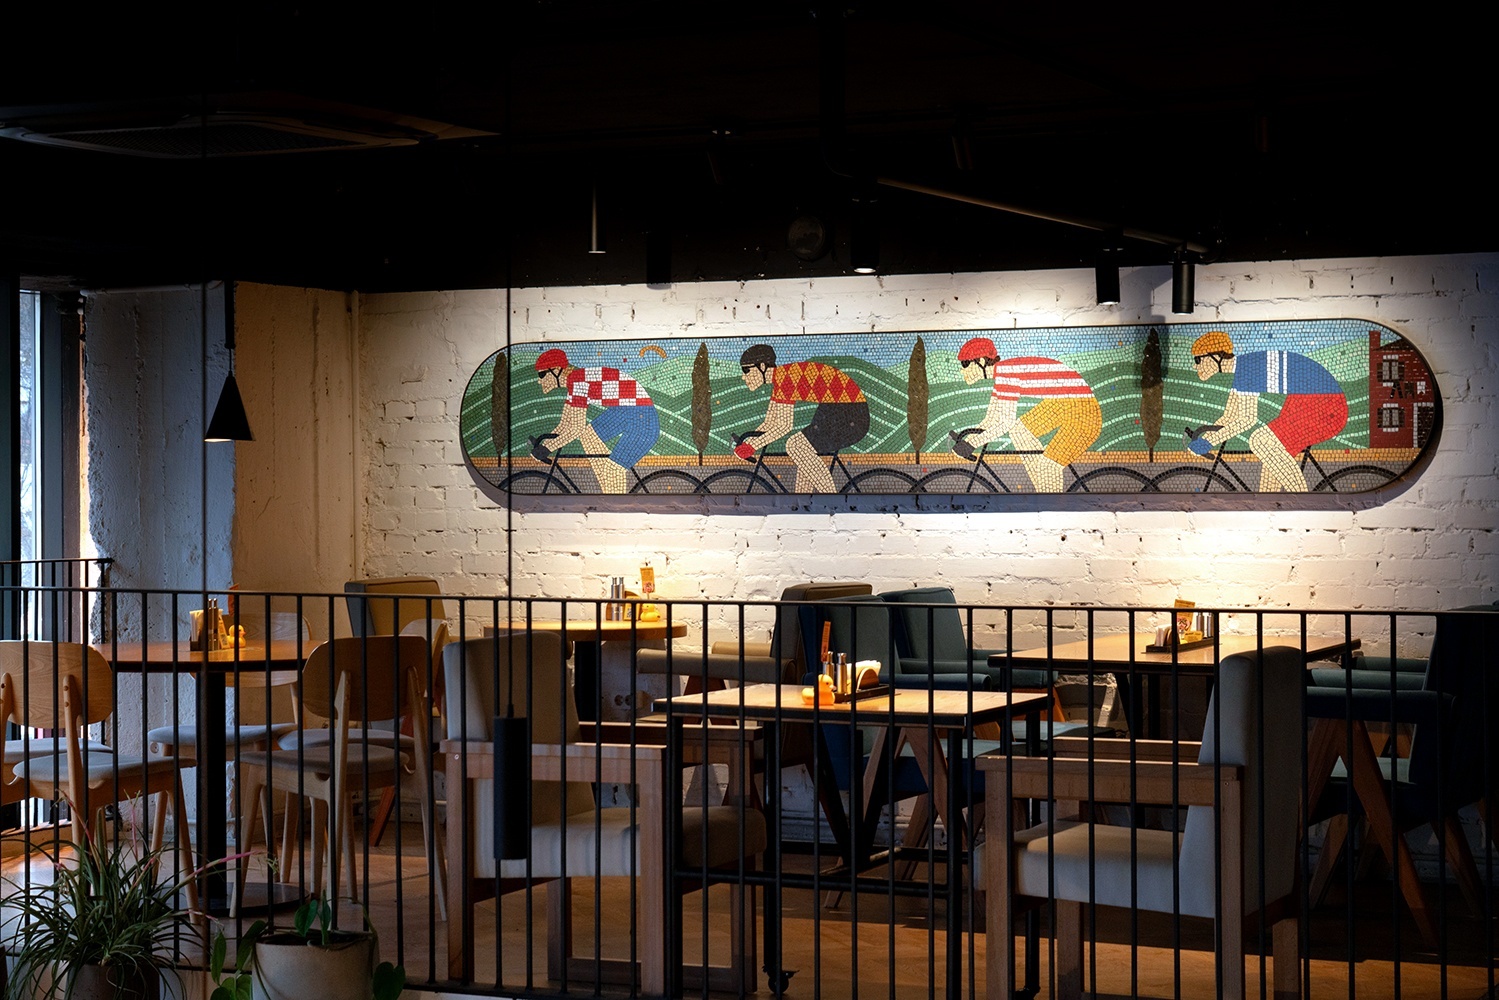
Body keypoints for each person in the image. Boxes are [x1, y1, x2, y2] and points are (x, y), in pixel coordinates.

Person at [1187, 331, 1347, 492]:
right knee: (1271, 458)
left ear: (1216, 356)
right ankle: (1269, 501)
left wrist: (1208, 443)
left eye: (1198, 359)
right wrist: (1205, 438)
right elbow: (1229, 416)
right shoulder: (1243, 370)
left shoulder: (1247, 370)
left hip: (1324, 405)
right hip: (1303, 402)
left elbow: (1247, 420)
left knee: (1260, 441)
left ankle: (1303, 498)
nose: (1195, 365)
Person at [953, 337, 1101, 493]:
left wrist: (971, 444)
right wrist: (968, 440)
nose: (962, 370)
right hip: (1064, 402)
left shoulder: (1007, 375)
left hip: (1084, 411)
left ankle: (1052, 500)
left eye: (965, 364)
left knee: (1048, 466)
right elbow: (991, 419)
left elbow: (1005, 423)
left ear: (981, 361)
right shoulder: (1003, 374)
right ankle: (1044, 489)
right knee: (1019, 431)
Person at [735, 343, 869, 493]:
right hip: (833, 408)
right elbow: (770, 422)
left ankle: (831, 498)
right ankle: (803, 500)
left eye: (746, 370)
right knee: (802, 453)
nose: (743, 376)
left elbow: (784, 426)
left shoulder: (785, 378)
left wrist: (752, 446)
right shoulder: (780, 379)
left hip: (849, 412)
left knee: (795, 445)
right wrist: (749, 441)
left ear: (762, 366)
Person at [533, 348, 659, 493]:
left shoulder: (579, 383)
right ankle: (609, 489)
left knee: (613, 469)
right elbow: (565, 424)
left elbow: (576, 428)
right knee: (588, 436)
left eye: (542, 374)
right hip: (625, 410)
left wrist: (547, 449)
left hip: (643, 418)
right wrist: (544, 444)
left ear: (556, 370)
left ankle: (616, 497)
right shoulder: (574, 383)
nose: (539, 380)